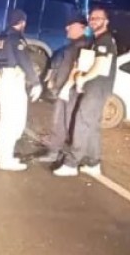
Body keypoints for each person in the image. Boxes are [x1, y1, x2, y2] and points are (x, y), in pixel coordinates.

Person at [53, 7, 118, 177]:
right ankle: (93, 162)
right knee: (92, 125)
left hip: (97, 89)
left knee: (82, 123)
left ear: (106, 22)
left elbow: (99, 65)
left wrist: (83, 78)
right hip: (96, 88)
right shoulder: (97, 40)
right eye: (92, 18)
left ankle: (72, 163)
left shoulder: (105, 40)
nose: (94, 20)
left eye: (98, 18)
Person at [35, 17, 92, 163]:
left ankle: (59, 153)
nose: (67, 28)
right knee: (60, 120)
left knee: (63, 121)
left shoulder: (84, 45)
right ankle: (57, 150)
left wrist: (66, 87)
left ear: (81, 27)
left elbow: (79, 68)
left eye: (70, 26)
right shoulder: (73, 45)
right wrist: (53, 79)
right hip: (64, 89)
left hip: (70, 91)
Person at [0, 8, 43, 171]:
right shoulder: (16, 39)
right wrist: (36, 82)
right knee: (15, 119)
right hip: (13, 80)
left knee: (5, 118)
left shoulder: (0, 37)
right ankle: (6, 159)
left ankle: (1, 156)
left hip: (2, 78)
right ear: (22, 23)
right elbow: (24, 61)